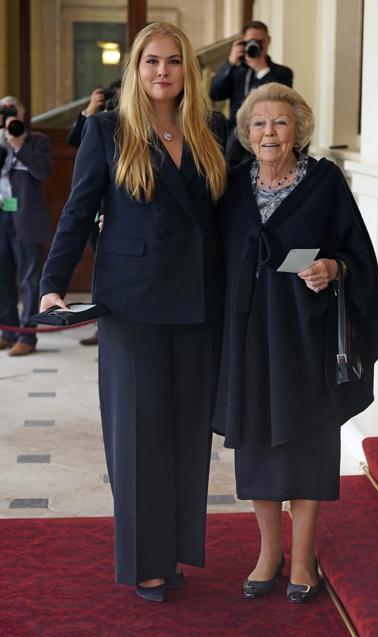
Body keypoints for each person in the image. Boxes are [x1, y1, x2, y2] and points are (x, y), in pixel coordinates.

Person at [39, 22, 227, 602]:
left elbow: (228, 217)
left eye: (173, 61)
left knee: (186, 434)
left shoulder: (211, 130)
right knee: (140, 435)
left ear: (187, 71)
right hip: (134, 302)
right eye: (151, 61)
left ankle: (173, 551)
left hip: (199, 301)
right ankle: (146, 562)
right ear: (135, 69)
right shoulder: (107, 129)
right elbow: (77, 212)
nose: (162, 71)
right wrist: (51, 286)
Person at [212, 83, 378, 603]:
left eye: (281, 122)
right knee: (258, 449)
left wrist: (334, 267)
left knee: (309, 446)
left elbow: (358, 253)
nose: (270, 132)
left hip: (307, 337)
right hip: (248, 337)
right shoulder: (229, 186)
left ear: (299, 131)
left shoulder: (324, 182)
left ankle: (306, 558)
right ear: (246, 134)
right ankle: (269, 554)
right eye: (260, 124)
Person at [67, 81, 121, 347]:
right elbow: (73, 140)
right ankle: (102, 324)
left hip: (126, 215)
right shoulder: (99, 123)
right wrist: (91, 109)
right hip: (96, 212)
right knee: (103, 268)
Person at [0, 96, 52, 356]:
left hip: (26, 218)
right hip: (2, 215)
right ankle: (7, 331)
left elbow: (43, 172)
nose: (9, 116)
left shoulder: (36, 140)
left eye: (13, 111)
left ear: (22, 114)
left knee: (30, 279)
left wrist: (19, 145)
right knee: (2, 277)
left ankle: (27, 337)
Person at [209, 20, 293, 165]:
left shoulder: (282, 73)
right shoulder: (236, 71)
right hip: (235, 136)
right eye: (250, 42)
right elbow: (215, 93)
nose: (255, 45)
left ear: (268, 41)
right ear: (243, 43)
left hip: (266, 133)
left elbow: (283, 100)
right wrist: (229, 63)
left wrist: (262, 70)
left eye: (260, 41)